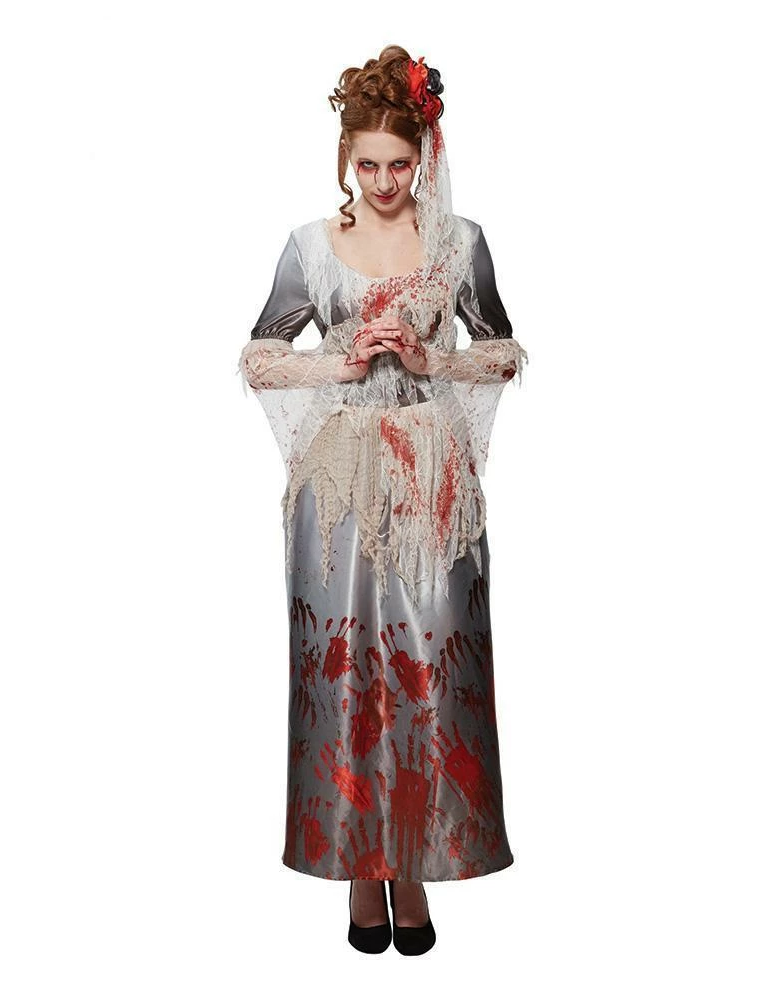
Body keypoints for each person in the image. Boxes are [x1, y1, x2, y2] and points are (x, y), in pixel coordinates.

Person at [237, 45, 528, 956]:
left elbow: (503, 352)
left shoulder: (460, 243)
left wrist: (434, 357)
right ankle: (362, 871)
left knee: (431, 669)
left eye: (400, 164)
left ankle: (416, 864)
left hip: (432, 480)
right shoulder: (309, 248)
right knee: (349, 673)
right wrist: (339, 361)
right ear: (345, 158)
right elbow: (259, 357)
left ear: (424, 155)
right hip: (340, 484)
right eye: (367, 165)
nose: (385, 182)